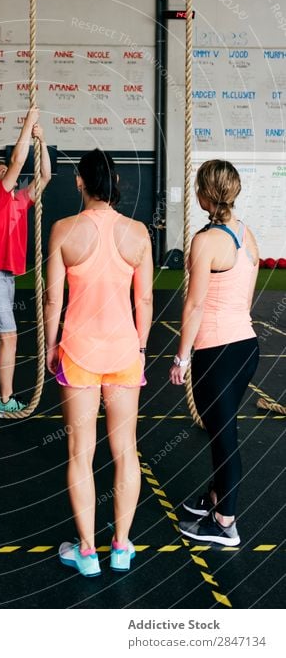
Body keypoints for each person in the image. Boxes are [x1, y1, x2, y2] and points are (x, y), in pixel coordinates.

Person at [44, 148, 153, 576]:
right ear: (117, 184)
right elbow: (143, 298)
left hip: (79, 353)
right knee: (126, 453)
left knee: (79, 453)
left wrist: (50, 346)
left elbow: (54, 299)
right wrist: (140, 346)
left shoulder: (63, 230)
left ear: (79, 182)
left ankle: (87, 552)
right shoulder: (138, 233)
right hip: (125, 353)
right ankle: (122, 547)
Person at [169, 159, 260, 546]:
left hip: (218, 351)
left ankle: (225, 523)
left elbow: (194, 305)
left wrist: (181, 357)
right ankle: (214, 499)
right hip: (246, 347)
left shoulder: (206, 242)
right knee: (220, 432)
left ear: (205, 193)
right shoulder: (245, 233)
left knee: (224, 437)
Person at [0, 105, 51, 415]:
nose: (9, 172)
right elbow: (17, 160)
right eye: (1, 172)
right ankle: (5, 401)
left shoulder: (18, 202)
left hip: (1, 277)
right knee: (10, 338)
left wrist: (41, 141)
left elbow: (45, 176)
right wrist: (28, 122)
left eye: (7, 171)